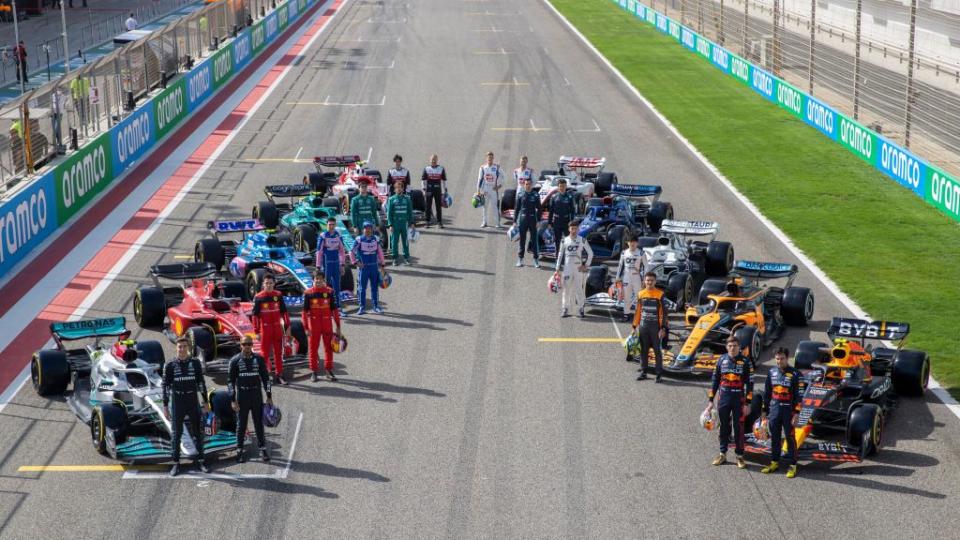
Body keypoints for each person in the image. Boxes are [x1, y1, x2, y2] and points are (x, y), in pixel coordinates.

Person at [162, 337, 211, 477]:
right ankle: (176, 463)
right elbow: (165, 386)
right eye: (179, 347)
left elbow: (201, 383)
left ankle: (201, 461)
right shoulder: (169, 365)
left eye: (184, 346)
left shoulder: (195, 363)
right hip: (177, 402)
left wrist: (206, 402)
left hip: (192, 400)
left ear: (188, 348)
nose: (182, 349)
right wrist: (165, 406)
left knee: (198, 432)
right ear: (176, 348)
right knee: (176, 434)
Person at [707, 337, 754, 469]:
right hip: (724, 398)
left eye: (735, 345)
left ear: (739, 347)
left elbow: (750, 384)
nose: (732, 348)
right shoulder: (721, 360)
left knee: (738, 427)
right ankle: (722, 453)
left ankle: (740, 456)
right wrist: (711, 401)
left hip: (739, 399)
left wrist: (748, 403)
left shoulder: (745, 361)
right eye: (730, 345)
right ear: (726, 347)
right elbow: (714, 381)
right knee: (724, 427)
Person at [228, 335, 272, 463]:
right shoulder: (235, 361)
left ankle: (263, 449)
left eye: (249, 344)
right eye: (244, 344)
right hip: (242, 397)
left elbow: (266, 379)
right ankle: (239, 450)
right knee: (241, 425)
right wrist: (232, 399)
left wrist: (269, 396)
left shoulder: (259, 359)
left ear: (252, 345)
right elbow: (230, 382)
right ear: (240, 345)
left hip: (256, 395)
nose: (247, 346)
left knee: (258, 423)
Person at [760, 347, 800, 478]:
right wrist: (764, 411)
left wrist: (796, 413)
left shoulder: (795, 374)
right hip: (775, 410)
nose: (779, 361)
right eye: (777, 358)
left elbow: (799, 396)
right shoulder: (771, 372)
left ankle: (793, 465)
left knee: (790, 438)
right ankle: (774, 462)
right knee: (775, 438)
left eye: (782, 358)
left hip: (789, 411)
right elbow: (767, 393)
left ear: (787, 358)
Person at [303, 269, 343, 382]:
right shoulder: (308, 293)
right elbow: (304, 312)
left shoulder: (329, 292)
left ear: (324, 280)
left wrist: (338, 326)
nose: (318, 281)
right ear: (313, 280)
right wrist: (306, 327)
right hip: (313, 326)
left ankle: (328, 370)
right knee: (313, 349)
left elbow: (334, 310)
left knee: (328, 348)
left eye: (320, 279)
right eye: (316, 279)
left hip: (327, 325)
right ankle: (314, 372)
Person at [251, 273, 291, 385]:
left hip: (277, 328)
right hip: (265, 329)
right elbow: (255, 316)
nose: (268, 285)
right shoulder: (259, 297)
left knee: (279, 353)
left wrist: (287, 327)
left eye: (271, 283)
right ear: (263, 284)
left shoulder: (278, 295)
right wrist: (256, 331)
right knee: (265, 353)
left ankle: (279, 375)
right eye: (266, 283)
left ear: (274, 284)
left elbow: (284, 313)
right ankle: (267, 374)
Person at [631, 272, 669, 382]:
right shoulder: (640, 294)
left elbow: (665, 313)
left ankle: (658, 374)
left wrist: (663, 328)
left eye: (651, 280)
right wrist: (634, 326)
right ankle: (644, 372)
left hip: (656, 328)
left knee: (657, 351)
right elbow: (637, 311)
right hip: (643, 327)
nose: (649, 282)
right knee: (643, 350)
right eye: (647, 280)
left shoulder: (660, 294)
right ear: (644, 281)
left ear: (655, 281)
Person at [554, 220, 593, 318]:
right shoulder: (564, 240)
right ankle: (565, 309)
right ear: (569, 229)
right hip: (567, 269)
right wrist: (557, 268)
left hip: (578, 269)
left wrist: (586, 265)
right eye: (572, 228)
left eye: (575, 228)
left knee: (579, 289)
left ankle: (581, 308)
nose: (574, 230)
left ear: (578, 229)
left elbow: (591, 253)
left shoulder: (582, 240)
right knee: (566, 290)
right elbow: (560, 254)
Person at [350, 221, 386, 314]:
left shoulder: (376, 239)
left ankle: (376, 306)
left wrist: (382, 265)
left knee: (375, 287)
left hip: (374, 267)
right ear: (363, 229)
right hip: (364, 268)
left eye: (369, 228)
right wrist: (355, 262)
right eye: (366, 228)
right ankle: (361, 307)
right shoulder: (359, 239)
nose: (368, 230)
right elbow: (351, 252)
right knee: (362, 288)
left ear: (372, 229)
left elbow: (380, 252)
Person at [317, 217, 348, 317]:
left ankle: (338, 307)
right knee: (325, 287)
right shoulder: (323, 236)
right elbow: (319, 252)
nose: (331, 227)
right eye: (329, 225)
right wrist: (318, 267)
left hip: (336, 263)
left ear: (335, 225)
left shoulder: (338, 235)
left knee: (337, 287)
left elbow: (342, 251)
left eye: (333, 225)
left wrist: (342, 265)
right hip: (326, 264)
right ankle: (325, 308)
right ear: (326, 225)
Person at [615, 235, 644, 322]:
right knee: (626, 297)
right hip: (626, 277)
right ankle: (626, 314)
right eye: (630, 242)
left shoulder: (641, 253)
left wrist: (644, 279)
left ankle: (639, 315)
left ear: (637, 243)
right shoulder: (624, 253)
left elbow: (646, 266)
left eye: (634, 242)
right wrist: (617, 278)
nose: (632, 244)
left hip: (637, 277)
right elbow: (620, 266)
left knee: (639, 297)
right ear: (627, 243)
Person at [514, 178, 541, 267]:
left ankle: (536, 260)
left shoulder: (536, 195)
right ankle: (520, 259)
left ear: (531, 185)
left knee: (534, 240)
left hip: (533, 220)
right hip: (523, 220)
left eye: (529, 184)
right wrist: (514, 221)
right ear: (524, 185)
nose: (528, 186)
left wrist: (539, 221)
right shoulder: (520, 195)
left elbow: (540, 209)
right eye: (526, 184)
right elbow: (517, 209)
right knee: (522, 240)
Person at [385, 180, 414, 265]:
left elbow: (410, 212)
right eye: (397, 188)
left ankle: (406, 258)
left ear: (403, 189)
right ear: (394, 190)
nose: (399, 189)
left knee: (405, 241)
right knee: (394, 242)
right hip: (395, 223)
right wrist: (390, 224)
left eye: (400, 188)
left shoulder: (407, 199)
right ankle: (395, 258)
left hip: (404, 223)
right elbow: (389, 213)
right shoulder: (391, 199)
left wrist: (411, 223)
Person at [547, 178, 576, 255]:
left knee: (568, 240)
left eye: (563, 186)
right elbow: (551, 211)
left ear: (566, 186)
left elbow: (573, 211)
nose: (562, 188)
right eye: (560, 186)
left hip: (566, 222)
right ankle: (557, 257)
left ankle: (567, 256)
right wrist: (549, 223)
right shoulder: (554, 197)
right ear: (558, 187)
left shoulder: (569, 197)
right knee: (557, 240)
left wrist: (572, 222)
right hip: (557, 221)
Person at [476, 151, 502, 228]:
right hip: (485, 189)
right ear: (486, 158)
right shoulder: (482, 168)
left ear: (493, 158)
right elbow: (479, 179)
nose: (490, 159)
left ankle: (497, 223)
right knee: (485, 206)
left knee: (495, 206)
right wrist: (478, 190)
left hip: (494, 189)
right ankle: (484, 222)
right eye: (488, 157)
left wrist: (499, 186)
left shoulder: (497, 167)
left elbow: (504, 177)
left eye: (491, 157)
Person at [421, 154, 448, 228]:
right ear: (430, 160)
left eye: (435, 160)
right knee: (428, 206)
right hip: (429, 190)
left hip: (438, 190)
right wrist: (423, 190)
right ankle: (427, 222)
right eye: (432, 160)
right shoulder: (426, 169)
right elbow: (423, 180)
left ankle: (439, 222)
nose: (433, 161)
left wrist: (445, 190)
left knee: (438, 206)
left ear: (437, 160)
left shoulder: (441, 168)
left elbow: (444, 180)